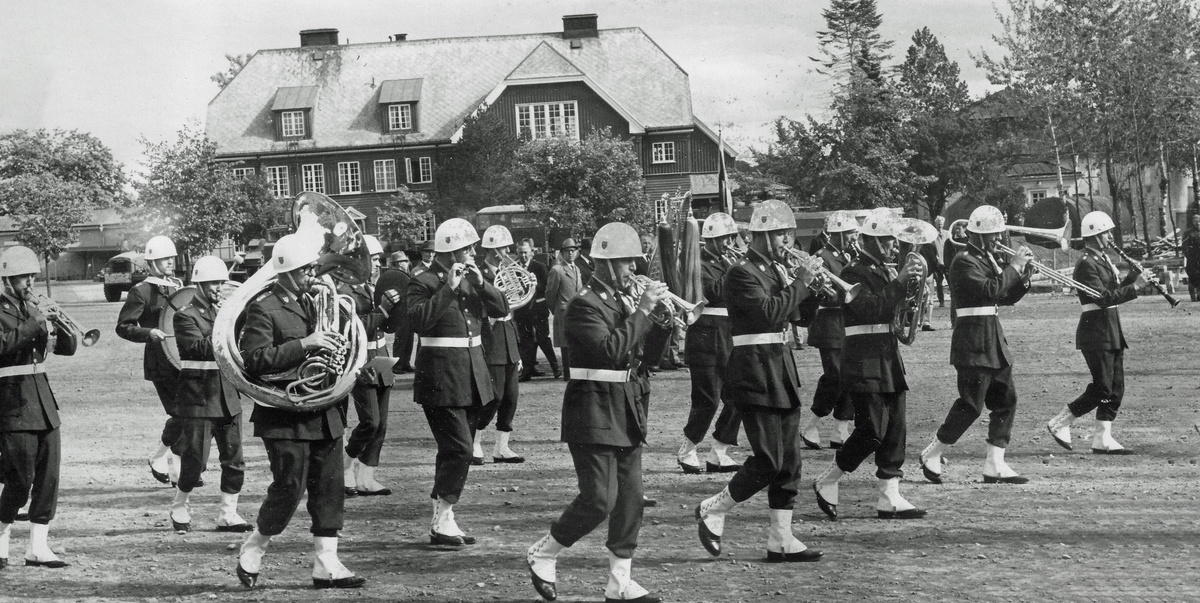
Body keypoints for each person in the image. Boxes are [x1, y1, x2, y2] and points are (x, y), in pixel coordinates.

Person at [525, 222, 672, 603]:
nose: (631, 270)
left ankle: (619, 582)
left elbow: (645, 357)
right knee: (599, 500)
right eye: (624, 263)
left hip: (626, 405)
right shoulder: (583, 304)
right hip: (592, 408)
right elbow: (609, 351)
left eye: (632, 262)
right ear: (604, 264)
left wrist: (661, 324)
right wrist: (642, 310)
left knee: (631, 499)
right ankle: (545, 551)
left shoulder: (623, 299)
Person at [693, 199, 823, 564]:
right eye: (782, 234)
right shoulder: (742, 272)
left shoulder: (776, 270)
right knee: (768, 459)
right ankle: (713, 508)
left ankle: (781, 539)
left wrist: (812, 291)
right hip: (753, 369)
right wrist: (800, 283)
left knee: (790, 463)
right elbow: (767, 313)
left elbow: (798, 317)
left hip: (780, 369)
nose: (788, 241)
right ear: (765, 236)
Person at [235, 233, 365, 590]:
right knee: (288, 487)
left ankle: (327, 563)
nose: (314, 273)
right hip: (285, 413)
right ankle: (255, 546)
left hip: (324, 409)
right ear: (288, 271)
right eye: (307, 268)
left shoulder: (317, 300)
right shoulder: (264, 308)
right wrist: (305, 344)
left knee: (330, 487)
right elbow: (255, 360)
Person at [812, 209, 927, 521]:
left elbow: (894, 310)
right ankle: (829, 479)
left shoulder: (884, 271)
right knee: (872, 430)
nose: (893, 246)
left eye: (893, 241)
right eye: (887, 241)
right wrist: (901, 282)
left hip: (887, 357)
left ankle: (890, 495)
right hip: (863, 358)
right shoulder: (852, 273)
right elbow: (870, 309)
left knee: (896, 427)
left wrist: (914, 293)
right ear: (871, 242)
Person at [408, 218, 507, 547]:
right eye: (468, 248)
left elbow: (502, 308)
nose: (473, 253)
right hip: (440, 378)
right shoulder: (422, 281)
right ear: (451, 251)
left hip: (472, 373)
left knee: (453, 450)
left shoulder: (473, 278)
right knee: (461, 449)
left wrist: (482, 285)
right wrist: (447, 289)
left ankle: (443, 519)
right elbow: (419, 321)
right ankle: (443, 517)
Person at [919, 205, 1033, 486]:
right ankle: (933, 452)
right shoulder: (963, 260)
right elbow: (990, 290)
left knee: (1007, 401)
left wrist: (1023, 277)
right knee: (971, 405)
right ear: (980, 235)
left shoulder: (986, 258)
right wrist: (1014, 267)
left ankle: (995, 464)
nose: (998, 240)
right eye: (994, 235)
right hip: (972, 341)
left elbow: (1003, 297)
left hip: (992, 339)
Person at [0, 246, 76, 569]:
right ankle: (1, 536)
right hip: (11, 401)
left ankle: (37, 547)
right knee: (19, 478)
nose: (29, 282)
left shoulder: (35, 306)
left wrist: (60, 324)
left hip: (43, 401)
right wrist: (34, 321)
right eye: (22, 277)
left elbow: (68, 349)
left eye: (32, 275)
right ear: (6, 278)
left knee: (49, 476)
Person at [1046, 211, 1145, 455]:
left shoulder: (1100, 259)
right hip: (1096, 330)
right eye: (1106, 233)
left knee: (1115, 387)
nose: (1110, 237)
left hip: (1110, 329)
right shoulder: (1086, 263)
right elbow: (1103, 298)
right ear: (1095, 235)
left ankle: (1102, 438)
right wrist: (1136, 288)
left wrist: (1133, 277)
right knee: (1102, 387)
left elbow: (1113, 290)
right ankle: (1061, 421)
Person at [169, 256, 251, 534]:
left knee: (235, 459)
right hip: (198, 398)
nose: (219, 287)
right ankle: (180, 504)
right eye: (214, 283)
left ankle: (227, 514)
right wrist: (229, 320)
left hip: (227, 396)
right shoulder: (184, 315)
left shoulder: (224, 313)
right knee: (195, 462)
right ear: (200, 285)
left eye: (221, 282)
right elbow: (200, 347)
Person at [677, 212, 743, 474]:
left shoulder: (729, 262)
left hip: (730, 336)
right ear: (712, 240)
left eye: (730, 238)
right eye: (725, 238)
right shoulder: (698, 263)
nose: (729, 243)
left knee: (738, 396)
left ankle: (719, 451)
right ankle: (688, 449)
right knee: (707, 400)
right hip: (705, 337)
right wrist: (735, 271)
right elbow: (712, 292)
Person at [116, 235, 183, 485]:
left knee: (186, 414)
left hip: (182, 359)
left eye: (171, 258)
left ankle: (160, 459)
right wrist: (148, 333)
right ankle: (175, 470)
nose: (169, 262)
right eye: (164, 258)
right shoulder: (141, 290)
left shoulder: (178, 286)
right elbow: (123, 326)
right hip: (160, 361)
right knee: (180, 413)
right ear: (152, 262)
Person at [343, 235, 403, 497]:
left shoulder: (372, 287)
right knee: (370, 421)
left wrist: (396, 310)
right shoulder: (345, 291)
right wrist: (384, 309)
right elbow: (354, 329)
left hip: (381, 356)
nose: (378, 265)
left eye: (379, 260)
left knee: (382, 424)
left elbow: (386, 326)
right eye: (374, 260)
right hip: (361, 360)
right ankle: (344, 469)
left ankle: (366, 477)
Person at [798, 211, 858, 450]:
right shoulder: (822, 256)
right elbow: (824, 290)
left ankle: (841, 428)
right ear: (839, 234)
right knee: (834, 375)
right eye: (851, 233)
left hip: (845, 323)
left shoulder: (849, 255)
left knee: (850, 375)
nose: (855, 237)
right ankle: (812, 424)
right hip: (829, 322)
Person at [474, 225, 526, 465]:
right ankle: (474, 441)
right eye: (504, 247)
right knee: (493, 396)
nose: (508, 252)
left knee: (511, 397)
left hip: (508, 336)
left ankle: (501, 447)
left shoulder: (508, 271)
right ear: (494, 250)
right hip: (491, 337)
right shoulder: (479, 274)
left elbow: (515, 303)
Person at [514, 240, 559, 380]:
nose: (523, 256)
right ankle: (527, 371)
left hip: (538, 309)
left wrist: (534, 284)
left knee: (543, 339)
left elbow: (547, 288)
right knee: (526, 342)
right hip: (521, 311)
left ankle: (556, 368)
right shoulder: (513, 268)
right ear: (517, 253)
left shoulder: (539, 267)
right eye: (520, 252)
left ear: (531, 252)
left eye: (525, 252)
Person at [546, 239, 583, 382]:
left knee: (576, 342)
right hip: (563, 310)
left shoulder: (577, 269)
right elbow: (550, 293)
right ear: (562, 253)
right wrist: (556, 309)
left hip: (576, 311)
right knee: (565, 344)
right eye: (567, 251)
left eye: (573, 251)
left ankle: (575, 372)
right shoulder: (557, 270)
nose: (571, 253)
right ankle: (568, 374)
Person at [380, 251, 414, 373]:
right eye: (405, 261)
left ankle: (406, 363)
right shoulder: (392, 276)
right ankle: (397, 365)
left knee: (409, 338)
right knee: (401, 338)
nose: (407, 263)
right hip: (399, 312)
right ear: (399, 264)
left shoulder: (405, 274)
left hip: (408, 310)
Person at [932, 216, 951, 307]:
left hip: (947, 262)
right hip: (938, 263)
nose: (940, 225)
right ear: (935, 224)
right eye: (938, 223)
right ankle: (941, 301)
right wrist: (937, 260)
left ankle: (953, 300)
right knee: (939, 283)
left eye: (941, 223)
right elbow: (932, 250)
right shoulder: (932, 235)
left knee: (950, 281)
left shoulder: (948, 234)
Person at [1182, 214, 1200, 302]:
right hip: (1192, 259)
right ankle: (1193, 296)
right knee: (1193, 277)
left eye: (1199, 222)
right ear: (1193, 222)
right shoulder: (1188, 233)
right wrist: (1189, 256)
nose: (1198, 223)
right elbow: (1184, 247)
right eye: (1196, 222)